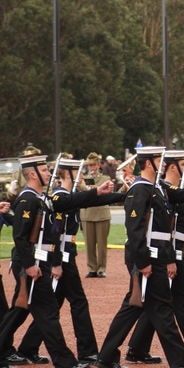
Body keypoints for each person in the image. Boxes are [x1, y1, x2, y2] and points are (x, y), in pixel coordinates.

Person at [94, 146, 184, 368]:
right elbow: (135, 229)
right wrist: (143, 262)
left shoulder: (155, 187)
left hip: (156, 254)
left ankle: (106, 356)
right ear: (149, 163)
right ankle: (181, 362)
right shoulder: (140, 189)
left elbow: (182, 195)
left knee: (135, 308)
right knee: (160, 309)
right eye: (160, 158)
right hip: (148, 256)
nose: (164, 161)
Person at [0, 153, 116, 368]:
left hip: (40, 260)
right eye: (44, 170)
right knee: (46, 312)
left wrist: (96, 192)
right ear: (33, 174)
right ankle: (65, 361)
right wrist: (29, 266)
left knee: (25, 309)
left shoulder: (42, 198)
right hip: (31, 263)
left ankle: (40, 354)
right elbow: (20, 237)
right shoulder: (28, 199)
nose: (49, 173)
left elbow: (70, 201)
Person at [80, 152, 112, 278]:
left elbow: (101, 192)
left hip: (101, 214)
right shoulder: (83, 178)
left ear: (98, 165)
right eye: (89, 165)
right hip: (87, 214)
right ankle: (92, 268)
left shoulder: (105, 178)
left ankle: (101, 268)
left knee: (102, 244)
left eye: (93, 165)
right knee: (89, 244)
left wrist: (87, 187)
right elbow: (83, 191)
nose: (91, 168)